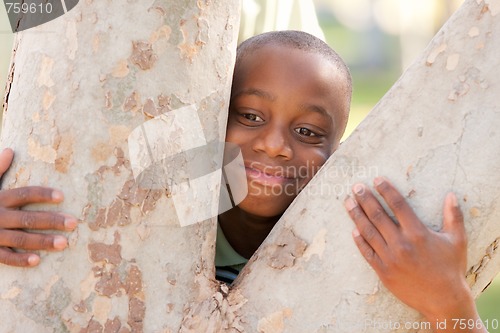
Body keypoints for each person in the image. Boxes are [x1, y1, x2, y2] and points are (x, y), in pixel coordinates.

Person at [0, 31, 486, 333]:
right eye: (249, 115)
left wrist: (450, 302)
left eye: (307, 132)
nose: (274, 145)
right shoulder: (148, 212)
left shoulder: (357, 245)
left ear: (338, 155)